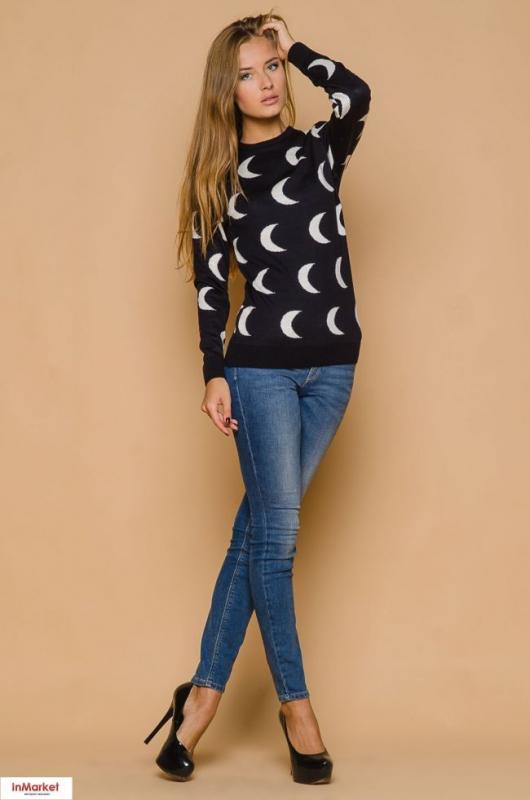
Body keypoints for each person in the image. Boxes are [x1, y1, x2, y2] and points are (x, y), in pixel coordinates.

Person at [144, 11, 371, 784]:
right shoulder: (220, 179)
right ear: (227, 90)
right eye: (248, 73)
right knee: (278, 541)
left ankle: (200, 693)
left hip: (333, 370)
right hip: (261, 371)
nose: (267, 82)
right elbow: (212, 290)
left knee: (256, 531)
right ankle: (296, 711)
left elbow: (356, 95)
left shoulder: (318, 151)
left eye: (271, 66)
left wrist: (294, 43)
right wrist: (214, 372)